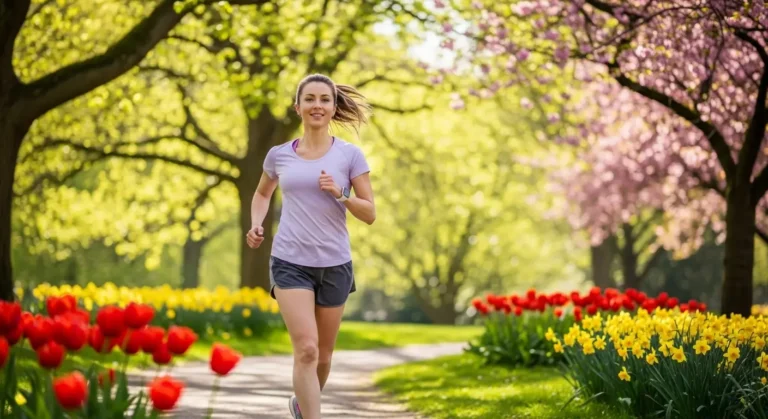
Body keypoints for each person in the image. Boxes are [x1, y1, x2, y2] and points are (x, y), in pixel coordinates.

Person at [245, 74, 376, 419]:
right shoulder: (279, 155)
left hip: (335, 263)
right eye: (310, 99)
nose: (317, 105)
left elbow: (370, 213)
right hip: (290, 260)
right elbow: (262, 193)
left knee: (323, 357)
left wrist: (341, 194)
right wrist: (257, 224)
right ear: (298, 107)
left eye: (324, 100)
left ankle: (302, 407)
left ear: (333, 108)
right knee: (305, 349)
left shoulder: (350, 156)